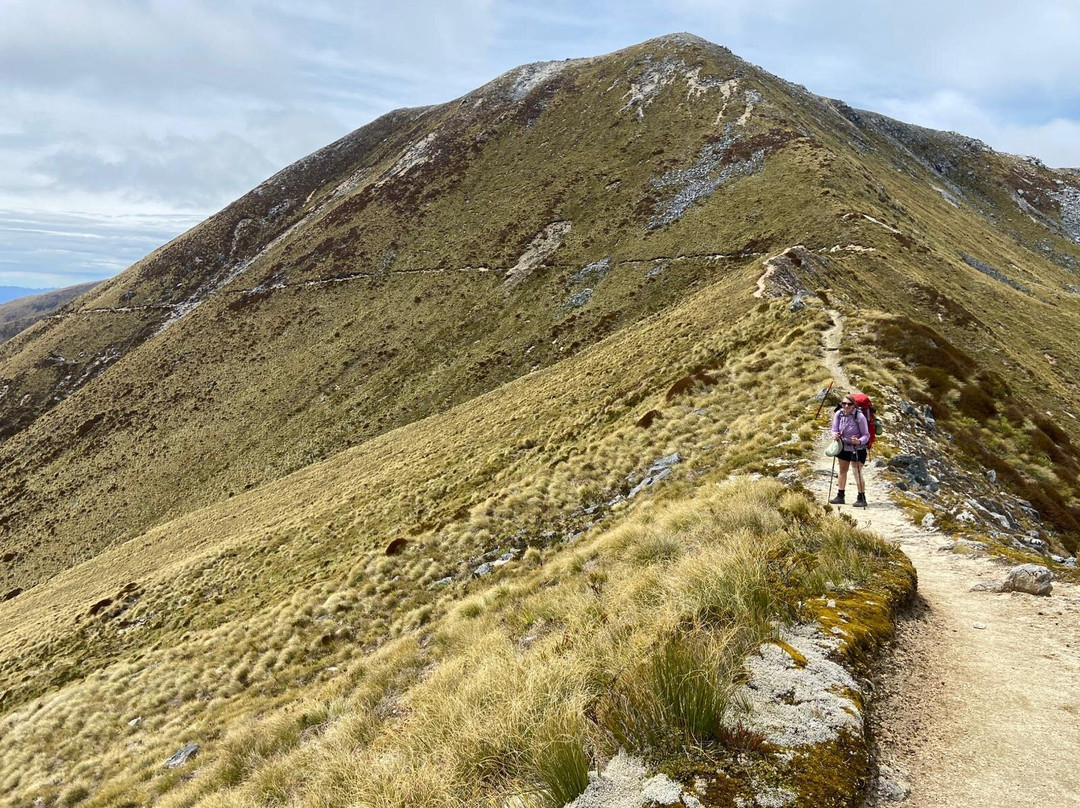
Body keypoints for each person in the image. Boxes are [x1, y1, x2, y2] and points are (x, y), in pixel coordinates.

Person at [829, 395, 870, 507]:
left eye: (849, 404)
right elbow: (834, 429)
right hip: (843, 446)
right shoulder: (839, 414)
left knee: (857, 472)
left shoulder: (860, 417)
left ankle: (861, 497)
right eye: (844, 403)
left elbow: (866, 435)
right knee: (842, 470)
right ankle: (840, 496)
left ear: (854, 405)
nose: (846, 406)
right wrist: (834, 435)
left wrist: (859, 441)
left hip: (858, 448)